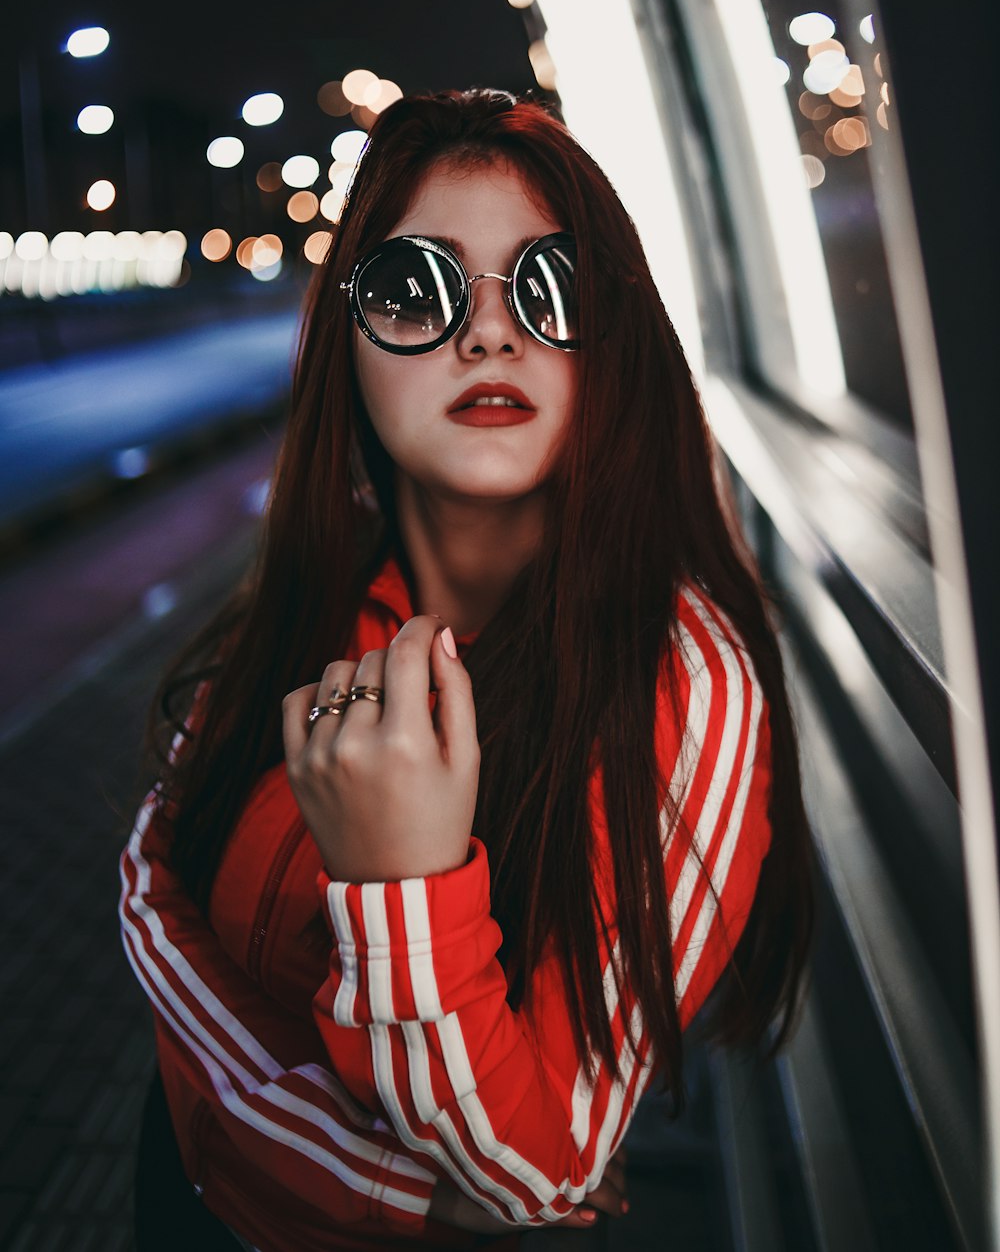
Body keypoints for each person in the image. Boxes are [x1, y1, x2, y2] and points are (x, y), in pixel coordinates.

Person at [120, 87, 812, 1251]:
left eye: (552, 287)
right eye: (413, 291)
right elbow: (150, 891)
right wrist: (364, 1178)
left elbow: (530, 1179)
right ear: (345, 345)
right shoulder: (315, 603)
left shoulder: (686, 676)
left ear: (620, 338)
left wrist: (399, 885)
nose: (489, 334)